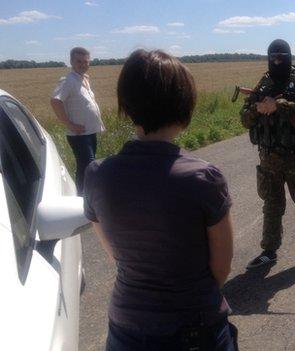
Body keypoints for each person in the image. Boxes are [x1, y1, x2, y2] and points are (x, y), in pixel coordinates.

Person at [83, 49, 238, 351]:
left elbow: (117, 253)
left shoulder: (96, 174)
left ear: (126, 106)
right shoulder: (204, 178)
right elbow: (221, 267)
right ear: (184, 104)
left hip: (126, 328)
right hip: (194, 328)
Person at [241, 39, 295, 272]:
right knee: (271, 206)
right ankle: (269, 251)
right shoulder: (264, 82)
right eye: (273, 57)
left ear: (289, 57)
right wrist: (256, 109)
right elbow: (244, 118)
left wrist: (279, 105)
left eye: (281, 57)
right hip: (269, 159)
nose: (277, 61)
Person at [50, 46, 104, 195]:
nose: (83, 64)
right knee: (87, 166)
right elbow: (55, 101)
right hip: (79, 134)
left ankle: (86, 196)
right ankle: (83, 198)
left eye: (86, 61)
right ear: (71, 62)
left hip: (89, 131)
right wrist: (69, 124)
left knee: (86, 166)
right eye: (79, 61)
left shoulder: (83, 80)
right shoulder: (68, 80)